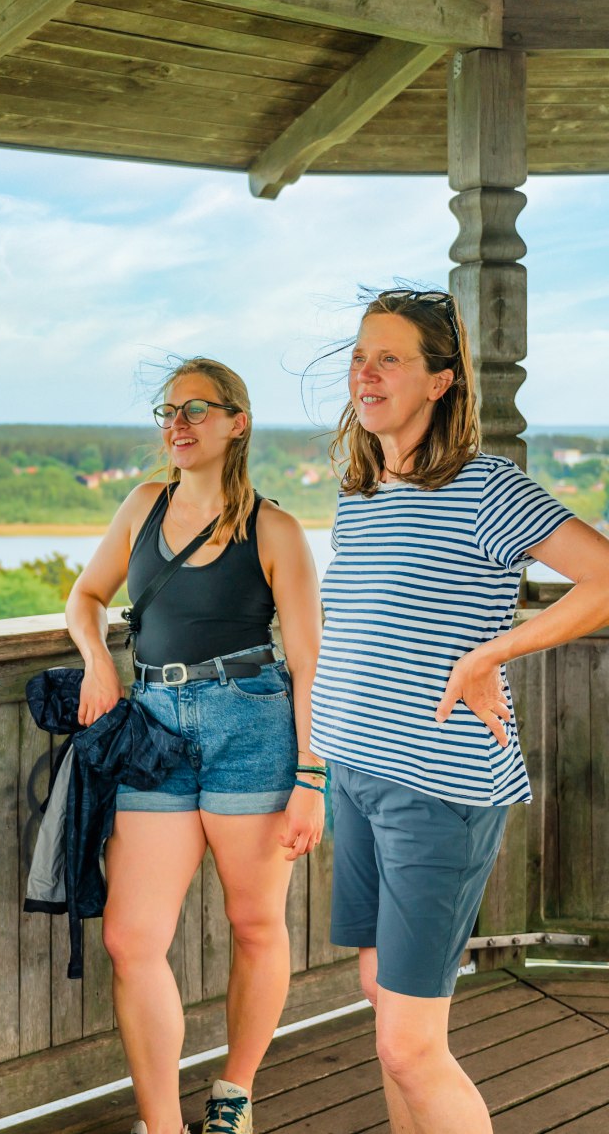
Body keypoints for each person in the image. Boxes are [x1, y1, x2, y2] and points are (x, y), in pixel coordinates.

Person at [310, 288, 609, 1134]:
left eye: (390, 358)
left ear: (442, 379)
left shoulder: (485, 487)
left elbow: (605, 577)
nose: (365, 373)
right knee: (382, 1001)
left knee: (410, 1044)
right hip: (356, 771)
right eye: (360, 356)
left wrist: (493, 651)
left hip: (436, 788)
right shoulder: (359, 489)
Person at [66, 357, 324, 1134]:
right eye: (167, 411)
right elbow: (85, 596)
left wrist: (313, 776)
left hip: (252, 722)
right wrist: (98, 662)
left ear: (237, 424)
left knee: (255, 924)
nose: (177, 425)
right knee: (130, 935)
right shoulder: (143, 504)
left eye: (197, 410)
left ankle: (232, 1094)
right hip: (154, 725)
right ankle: (162, 1125)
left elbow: (312, 662)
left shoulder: (275, 529)